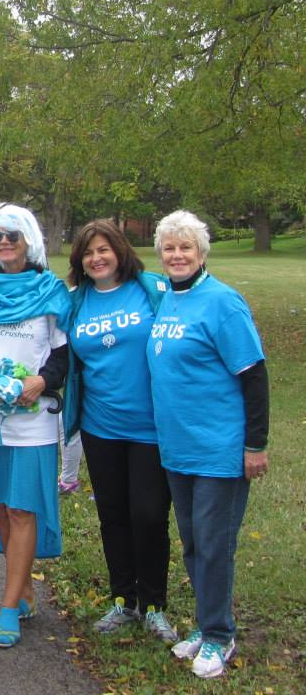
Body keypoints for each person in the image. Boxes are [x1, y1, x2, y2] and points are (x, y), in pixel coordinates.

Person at [147, 210, 268, 680]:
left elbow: (253, 375)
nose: (177, 255)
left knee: (215, 545)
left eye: (186, 247)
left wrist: (255, 444)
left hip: (219, 449)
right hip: (178, 449)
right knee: (194, 543)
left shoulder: (223, 302)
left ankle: (220, 634)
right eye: (170, 248)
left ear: (201, 252)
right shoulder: (169, 299)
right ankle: (205, 622)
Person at [61, 220, 175, 642]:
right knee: (113, 516)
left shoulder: (153, 291)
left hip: (150, 427)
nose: (97, 258)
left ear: (120, 251)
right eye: (89, 253)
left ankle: (154, 605)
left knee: (149, 515)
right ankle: (124, 600)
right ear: (80, 261)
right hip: (100, 427)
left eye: (104, 249)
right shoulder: (76, 301)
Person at [0, 203, 71, 649]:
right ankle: (23, 592)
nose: (5, 243)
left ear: (30, 240)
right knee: (2, 508)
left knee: (23, 509)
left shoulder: (51, 290)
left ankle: (9, 606)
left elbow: (65, 354)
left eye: (13, 236)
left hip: (32, 423)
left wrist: (42, 381)